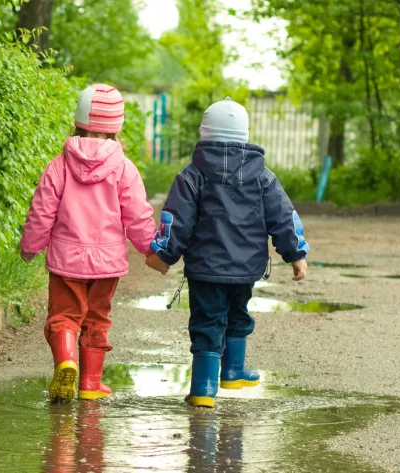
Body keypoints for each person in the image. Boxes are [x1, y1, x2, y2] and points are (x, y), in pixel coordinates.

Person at [145, 98, 310, 408]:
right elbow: (284, 216)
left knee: (207, 322)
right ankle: (233, 371)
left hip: (205, 269)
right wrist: (295, 254)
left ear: (205, 134)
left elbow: (175, 220)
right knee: (238, 313)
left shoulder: (191, 176)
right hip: (246, 268)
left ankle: (204, 391)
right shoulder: (262, 177)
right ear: (244, 135)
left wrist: (163, 255)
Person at [21, 84, 157, 403]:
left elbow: (42, 211)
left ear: (78, 121)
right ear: (116, 127)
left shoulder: (59, 165)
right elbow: (137, 214)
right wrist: (151, 249)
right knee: (97, 320)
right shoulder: (124, 168)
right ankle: (90, 384)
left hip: (66, 262)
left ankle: (66, 360)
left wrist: (30, 246)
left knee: (64, 317)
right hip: (107, 265)